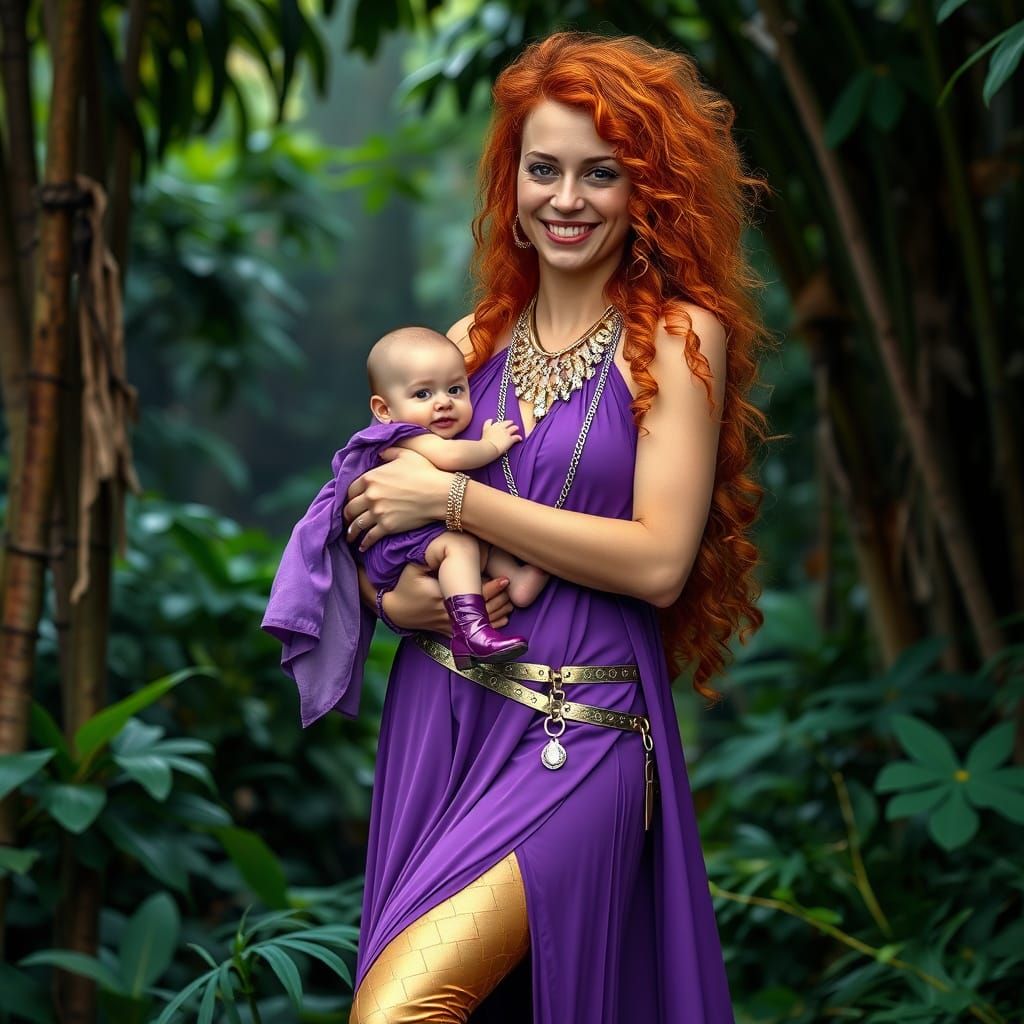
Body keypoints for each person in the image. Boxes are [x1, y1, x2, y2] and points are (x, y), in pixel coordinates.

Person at [318, 30, 766, 1024]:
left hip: (586, 732)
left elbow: (656, 561)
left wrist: (455, 502)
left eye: (599, 173)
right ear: (510, 181)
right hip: (446, 725)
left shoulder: (682, 338)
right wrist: (396, 591)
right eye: (544, 169)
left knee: (398, 1010)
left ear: (644, 188)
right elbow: (371, 531)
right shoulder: (468, 344)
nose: (567, 199)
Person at [356, 324, 549, 665]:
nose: (444, 403)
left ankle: (516, 580)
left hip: (424, 535)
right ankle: (471, 631)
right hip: (400, 546)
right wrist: (490, 445)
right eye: (422, 395)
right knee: (460, 544)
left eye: (456, 389)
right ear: (384, 410)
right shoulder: (404, 435)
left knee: (474, 533)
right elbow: (451, 457)